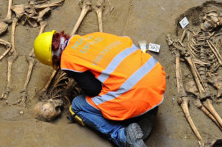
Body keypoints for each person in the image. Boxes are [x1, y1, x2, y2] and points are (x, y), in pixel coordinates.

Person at [34, 30, 166, 147]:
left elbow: (93, 90)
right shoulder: (94, 36)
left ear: (53, 59)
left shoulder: (68, 60)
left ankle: (123, 137)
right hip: (156, 78)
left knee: (77, 106)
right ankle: (147, 112)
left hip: (135, 94)